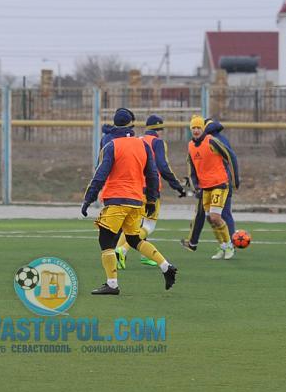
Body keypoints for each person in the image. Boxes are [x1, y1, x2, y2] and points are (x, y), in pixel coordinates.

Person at [81, 108, 177, 295]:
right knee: (134, 239)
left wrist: (88, 198)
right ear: (131, 125)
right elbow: (152, 175)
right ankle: (166, 266)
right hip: (136, 200)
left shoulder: (111, 146)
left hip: (117, 200)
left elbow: (100, 175)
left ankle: (112, 284)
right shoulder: (143, 145)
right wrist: (151, 200)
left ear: (115, 125)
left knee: (106, 239)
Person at [115, 114, 186, 268]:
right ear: (159, 130)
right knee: (148, 226)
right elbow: (163, 166)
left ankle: (123, 254)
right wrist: (177, 186)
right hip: (150, 190)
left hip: (135, 188)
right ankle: (123, 249)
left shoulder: (138, 140)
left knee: (132, 225)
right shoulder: (158, 142)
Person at [180, 115, 238, 260]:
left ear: (203, 129)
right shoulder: (190, 146)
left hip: (220, 184)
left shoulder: (212, 141)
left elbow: (230, 156)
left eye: (198, 128)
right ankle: (222, 246)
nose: (196, 130)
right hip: (205, 187)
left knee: (215, 217)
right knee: (210, 219)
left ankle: (229, 245)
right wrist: (196, 186)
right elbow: (191, 169)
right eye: (193, 128)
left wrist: (235, 179)